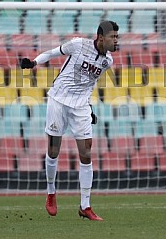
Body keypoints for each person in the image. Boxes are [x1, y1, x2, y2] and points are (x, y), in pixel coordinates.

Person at [21, 21, 119, 220]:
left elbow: (89, 83)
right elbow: (51, 53)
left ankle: (85, 206)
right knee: (54, 150)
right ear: (101, 38)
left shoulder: (107, 61)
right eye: (113, 37)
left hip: (81, 106)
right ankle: (50, 193)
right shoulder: (78, 44)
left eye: (117, 37)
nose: (116, 41)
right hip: (58, 100)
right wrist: (34, 63)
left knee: (86, 152)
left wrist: (88, 107)